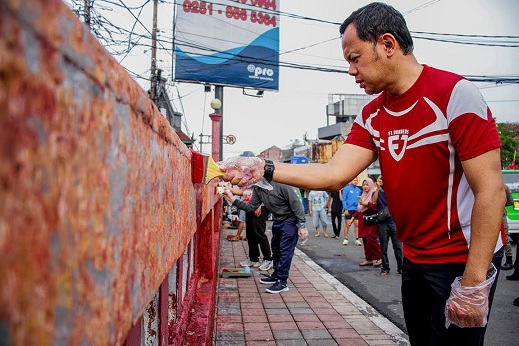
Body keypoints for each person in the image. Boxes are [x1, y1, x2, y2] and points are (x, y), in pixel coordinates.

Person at [220, 3, 505, 344]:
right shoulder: (372, 114)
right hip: (414, 255)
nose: (351, 71)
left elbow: (491, 191)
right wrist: (261, 168)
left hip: (461, 259)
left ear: (387, 45)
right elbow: (333, 173)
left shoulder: (455, 95)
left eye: (355, 59)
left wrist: (474, 281)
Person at [223, 181, 307, 294]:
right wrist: (232, 199)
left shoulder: (281, 185)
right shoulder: (257, 188)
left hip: (291, 220)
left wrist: (302, 226)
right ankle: (276, 274)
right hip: (278, 219)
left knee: (284, 250)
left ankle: (282, 282)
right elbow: (251, 207)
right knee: (276, 247)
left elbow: (296, 204)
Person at [229, 187, 273, 271]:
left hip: (259, 207)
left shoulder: (259, 178)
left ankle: (268, 259)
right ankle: (253, 259)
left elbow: (266, 191)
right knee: (250, 234)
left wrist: (259, 205)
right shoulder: (247, 180)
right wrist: (229, 191)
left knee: (259, 233)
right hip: (248, 206)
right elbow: (243, 191)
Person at [346, 178, 382, 267]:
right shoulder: (363, 195)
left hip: (371, 221)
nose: (365, 187)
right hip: (364, 222)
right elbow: (359, 210)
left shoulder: (375, 194)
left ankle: (380, 258)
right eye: (364, 185)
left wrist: (367, 204)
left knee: (371, 240)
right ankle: (368, 259)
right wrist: (352, 219)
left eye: (367, 184)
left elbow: (376, 207)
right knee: (365, 241)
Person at [372, 175, 403, 276]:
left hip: (393, 222)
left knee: (397, 246)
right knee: (383, 247)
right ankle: (385, 268)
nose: (382, 181)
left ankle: (401, 268)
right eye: (380, 180)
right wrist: (378, 188)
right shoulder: (377, 192)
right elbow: (373, 201)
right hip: (382, 223)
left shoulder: (393, 191)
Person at [341, 178, 362, 246]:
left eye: (356, 180)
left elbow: (360, 200)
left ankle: (357, 239)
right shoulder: (346, 189)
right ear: (351, 181)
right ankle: (346, 239)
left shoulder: (358, 190)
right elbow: (344, 199)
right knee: (348, 224)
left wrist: (360, 208)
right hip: (349, 209)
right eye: (354, 180)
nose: (355, 182)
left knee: (357, 224)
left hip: (356, 209)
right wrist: (346, 209)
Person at [502, 184, 514, 270]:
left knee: (505, 238)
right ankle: (509, 261)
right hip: (500, 214)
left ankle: (509, 261)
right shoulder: (504, 187)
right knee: (505, 238)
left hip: (497, 215)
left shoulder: (503, 187)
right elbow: (511, 202)